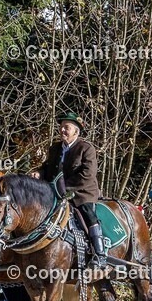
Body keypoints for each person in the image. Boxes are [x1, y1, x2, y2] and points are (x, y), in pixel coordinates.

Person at [35, 112, 106, 269]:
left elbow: (87, 175)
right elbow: (47, 168)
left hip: (81, 193)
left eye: (66, 127)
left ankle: (99, 254)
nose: (62, 130)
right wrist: (39, 173)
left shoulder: (86, 148)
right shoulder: (55, 148)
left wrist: (63, 188)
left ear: (76, 132)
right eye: (61, 127)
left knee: (87, 213)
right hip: (55, 193)